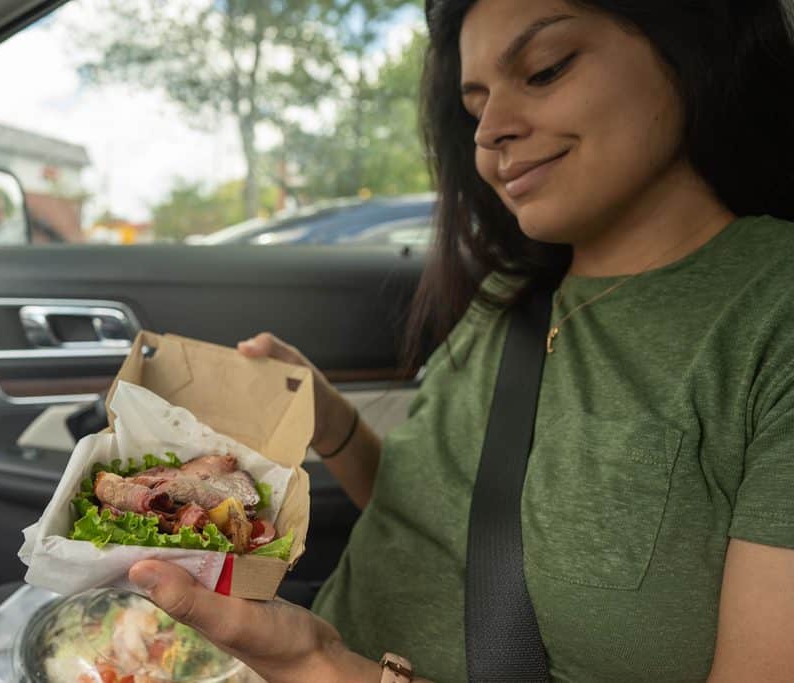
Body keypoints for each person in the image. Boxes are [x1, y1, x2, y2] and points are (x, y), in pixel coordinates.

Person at [126, 0, 794, 681]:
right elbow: (436, 509)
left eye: (545, 69)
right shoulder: (513, 296)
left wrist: (323, 664)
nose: (491, 133)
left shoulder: (771, 313)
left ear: (687, 44)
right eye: (475, 109)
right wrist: (332, 422)